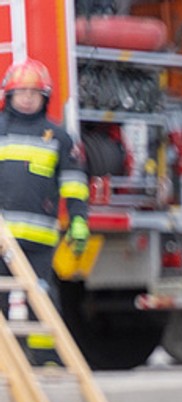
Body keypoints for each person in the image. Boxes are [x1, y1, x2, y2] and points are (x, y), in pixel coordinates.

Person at [1, 58, 87, 367]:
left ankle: (47, 359)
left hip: (40, 240)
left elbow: (74, 184)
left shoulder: (59, 138)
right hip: (1, 238)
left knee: (43, 301)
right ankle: (7, 361)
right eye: (20, 91)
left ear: (44, 96)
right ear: (8, 96)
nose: (26, 97)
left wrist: (79, 221)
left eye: (33, 92)